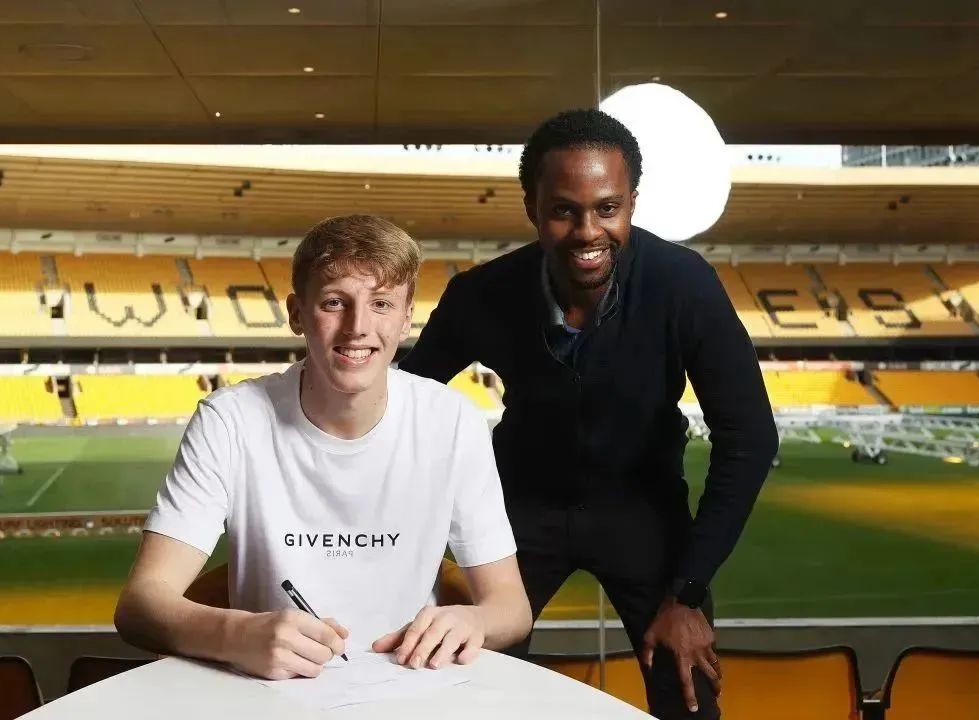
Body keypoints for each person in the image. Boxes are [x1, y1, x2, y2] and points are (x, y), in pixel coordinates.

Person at [400, 109, 778, 719]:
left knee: (688, 687)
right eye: (563, 210)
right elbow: (403, 404)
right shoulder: (481, 293)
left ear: (632, 204)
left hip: (646, 514)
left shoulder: (685, 284)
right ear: (532, 208)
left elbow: (750, 438)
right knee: (459, 680)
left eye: (608, 208)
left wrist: (688, 591)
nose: (587, 231)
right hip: (519, 513)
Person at [115, 214, 532, 681]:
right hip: (269, 691)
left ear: (406, 317)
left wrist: (475, 620)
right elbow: (140, 605)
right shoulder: (229, 420)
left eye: (381, 303)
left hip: (411, 684)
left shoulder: (452, 420)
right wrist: (236, 635)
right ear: (297, 313)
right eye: (335, 302)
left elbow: (511, 609)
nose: (358, 327)